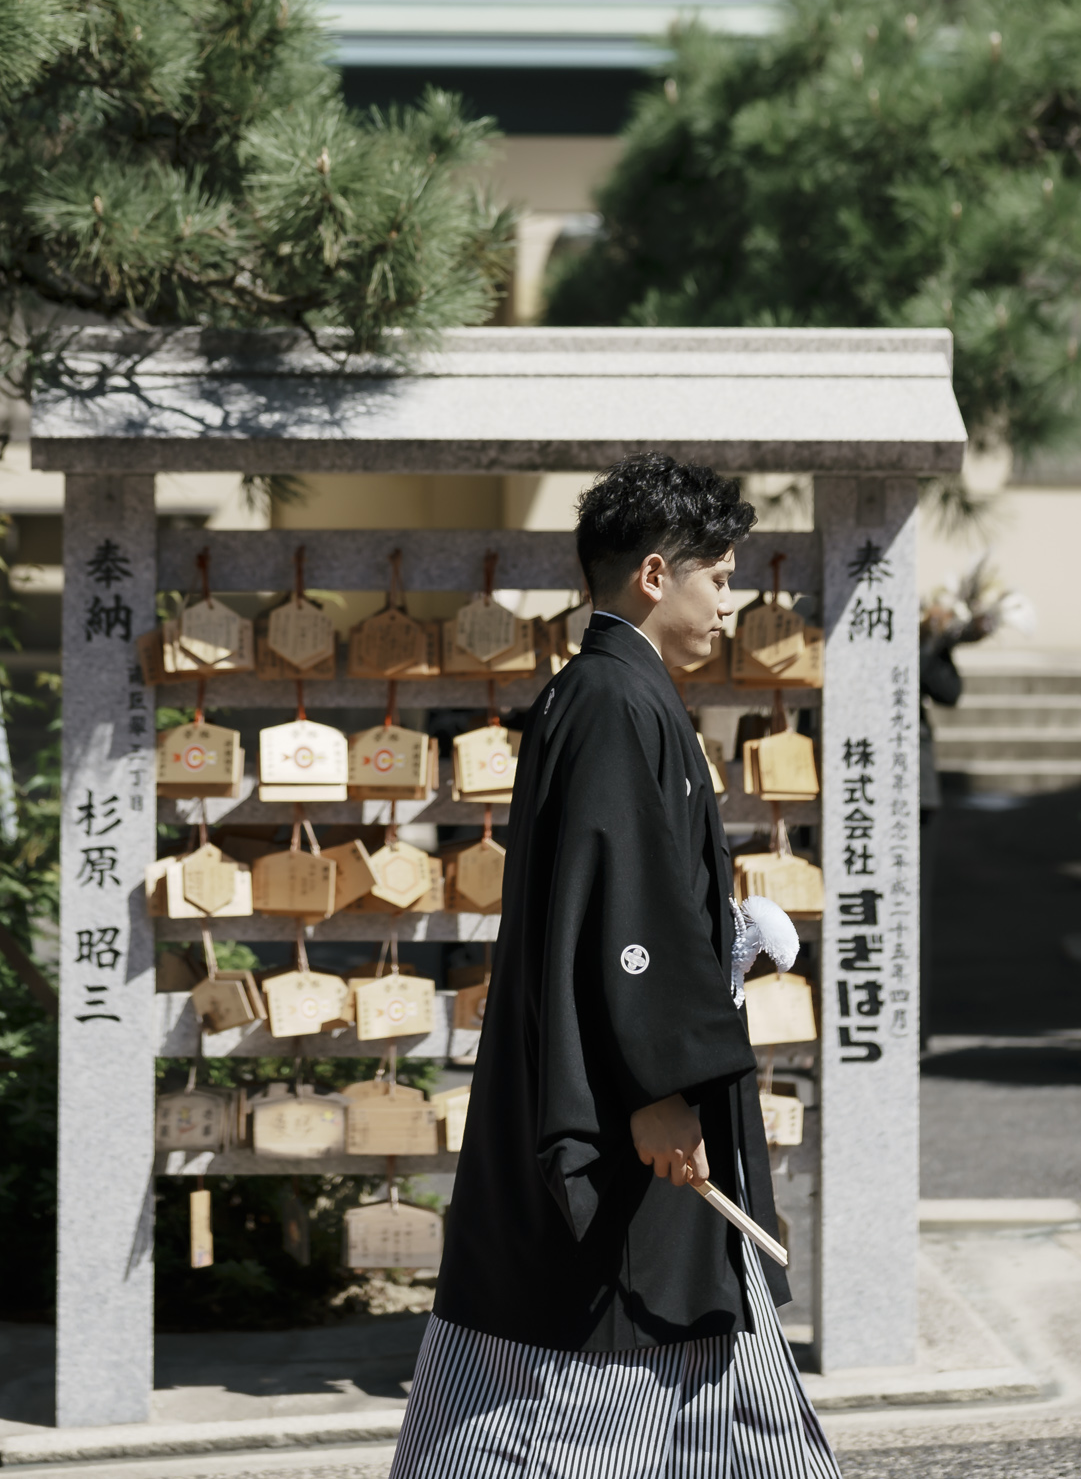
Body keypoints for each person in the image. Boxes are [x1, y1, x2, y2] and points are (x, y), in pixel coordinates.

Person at [393, 454, 835, 1479]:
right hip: (624, 1107)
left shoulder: (615, 695)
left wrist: (720, 933)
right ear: (651, 573)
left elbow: (628, 902)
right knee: (570, 1385)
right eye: (717, 576)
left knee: (713, 1363)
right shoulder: (609, 700)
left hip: (633, 1090)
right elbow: (617, 915)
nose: (728, 603)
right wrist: (659, 1089)